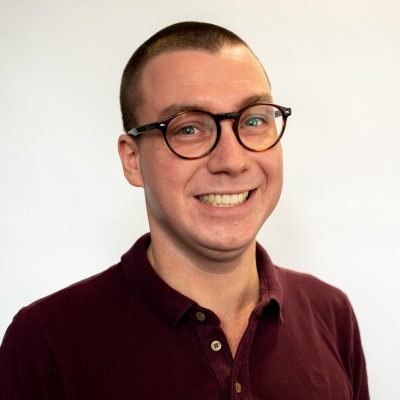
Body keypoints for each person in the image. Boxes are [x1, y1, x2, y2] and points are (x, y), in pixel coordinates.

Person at [0, 21, 369, 399]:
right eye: (189, 129)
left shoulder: (330, 313)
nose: (232, 160)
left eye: (254, 120)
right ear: (132, 160)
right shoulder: (45, 342)